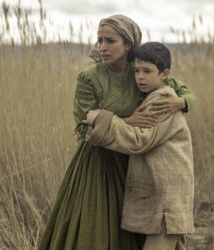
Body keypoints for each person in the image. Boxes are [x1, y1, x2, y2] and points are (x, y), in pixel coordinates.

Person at [38, 15, 195, 250]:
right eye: (99, 40)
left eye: (110, 40)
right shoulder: (90, 77)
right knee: (93, 232)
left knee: (145, 229)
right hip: (97, 166)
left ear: (128, 44)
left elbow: (182, 91)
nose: (102, 47)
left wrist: (183, 101)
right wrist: (128, 120)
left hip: (136, 165)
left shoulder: (141, 71)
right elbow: (83, 128)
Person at [85, 42, 194, 250]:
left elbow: (139, 140)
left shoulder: (162, 101)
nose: (140, 77)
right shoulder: (152, 96)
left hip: (167, 200)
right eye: (136, 71)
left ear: (165, 74)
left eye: (147, 71)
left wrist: (102, 120)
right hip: (165, 196)